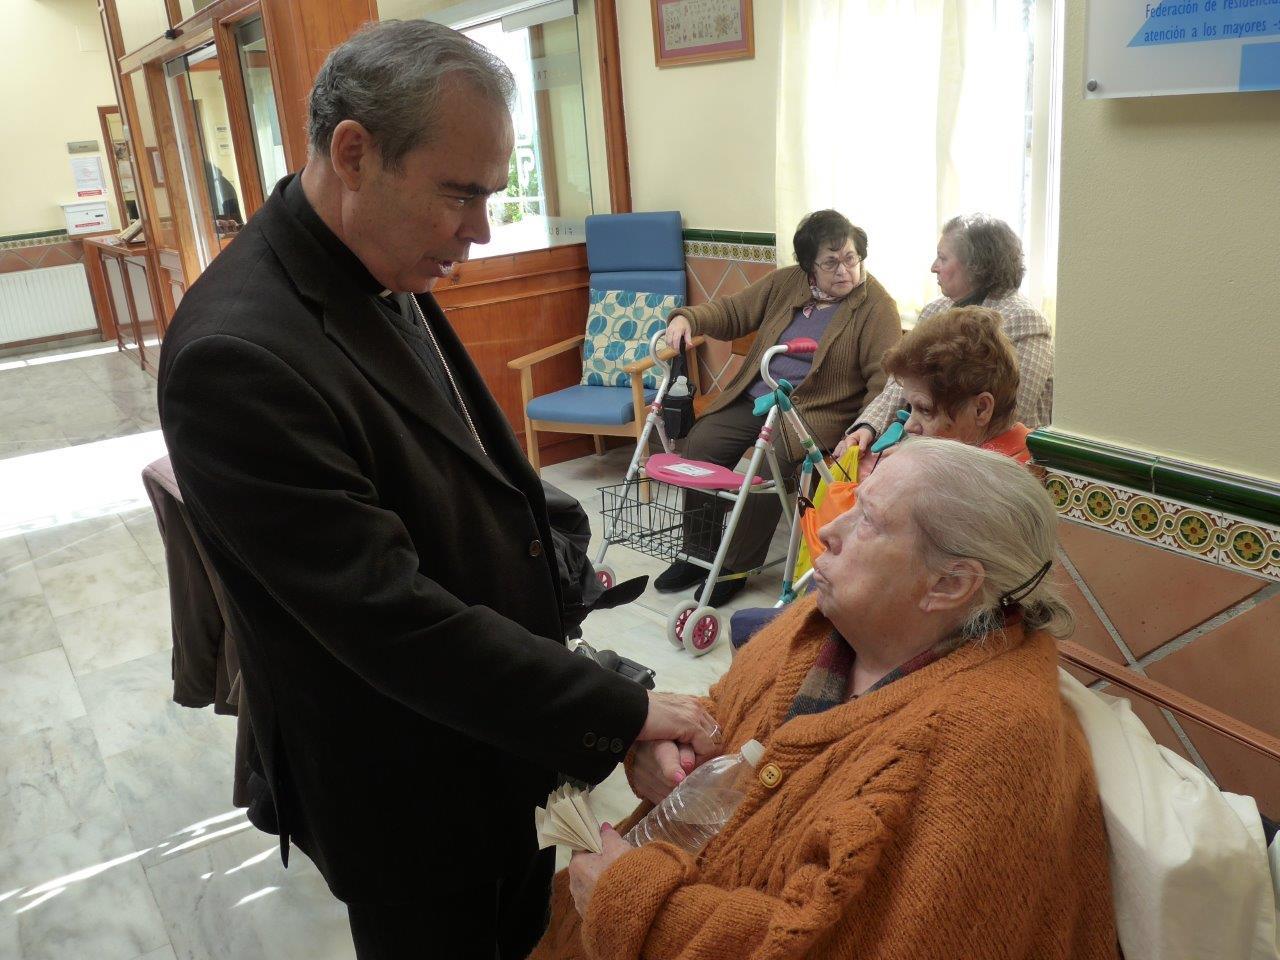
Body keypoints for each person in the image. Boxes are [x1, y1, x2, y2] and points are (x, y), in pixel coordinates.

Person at [157, 21, 716, 960]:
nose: (481, 229)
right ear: (354, 153)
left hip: (504, 739)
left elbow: (475, 464)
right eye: (461, 193)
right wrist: (615, 713)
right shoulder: (238, 354)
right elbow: (389, 618)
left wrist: (565, 562)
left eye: (491, 195)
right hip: (408, 784)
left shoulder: (380, 257)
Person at [534, 439, 1119, 960]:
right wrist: (665, 748)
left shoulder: (988, 750)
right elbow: (724, 712)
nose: (829, 530)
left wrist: (632, 903)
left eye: (867, 520)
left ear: (948, 584)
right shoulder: (823, 623)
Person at [728, 304, 1033, 652]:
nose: (910, 424)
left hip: (908, 636)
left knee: (745, 632)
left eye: (925, 409)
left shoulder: (986, 486)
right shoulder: (983, 453)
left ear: (981, 409)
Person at [656, 210, 901, 606]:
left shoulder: (875, 306)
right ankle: (697, 553)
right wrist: (687, 317)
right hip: (757, 397)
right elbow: (734, 312)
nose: (844, 271)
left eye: (851, 259)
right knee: (702, 444)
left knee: (771, 463)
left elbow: (885, 380)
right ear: (809, 267)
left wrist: (863, 429)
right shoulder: (788, 282)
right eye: (830, 262)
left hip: (813, 413)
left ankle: (734, 566)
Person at [839, 213, 1053, 456]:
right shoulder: (935, 310)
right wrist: (868, 426)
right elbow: (899, 387)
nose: (933, 267)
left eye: (943, 258)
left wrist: (913, 453)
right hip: (933, 442)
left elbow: (1006, 415)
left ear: (977, 267)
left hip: (998, 460)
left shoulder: (1026, 320)